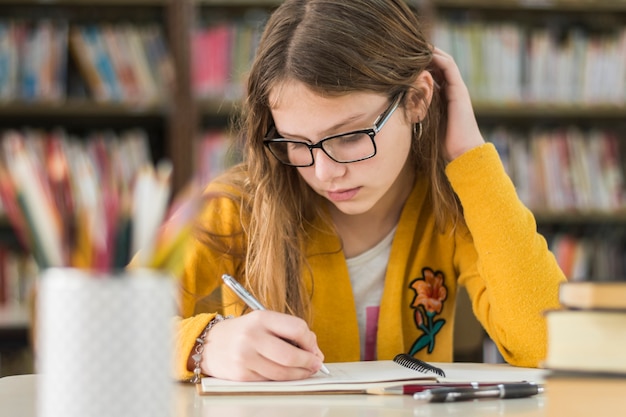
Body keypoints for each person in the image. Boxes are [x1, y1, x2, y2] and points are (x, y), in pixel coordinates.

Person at [175, 0, 566, 383]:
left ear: (417, 99)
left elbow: (553, 345)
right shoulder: (231, 203)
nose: (325, 172)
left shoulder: (454, 203)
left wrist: (470, 157)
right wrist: (204, 345)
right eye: (296, 142)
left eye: (349, 137)